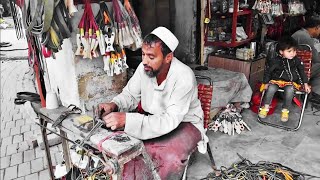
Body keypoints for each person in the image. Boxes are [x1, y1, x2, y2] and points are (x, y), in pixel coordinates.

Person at [98, 26, 208, 179]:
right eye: (143, 54)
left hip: (185, 123)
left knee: (168, 157)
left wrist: (128, 119)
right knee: (130, 152)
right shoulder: (144, 69)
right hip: (154, 119)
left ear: (168, 57)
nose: (144, 61)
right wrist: (114, 104)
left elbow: (170, 120)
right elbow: (130, 94)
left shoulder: (184, 76)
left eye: (151, 56)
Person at [259, 36, 311, 122]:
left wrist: (305, 84)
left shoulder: (296, 61)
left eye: (294, 51)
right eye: (289, 51)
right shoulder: (275, 61)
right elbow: (268, 72)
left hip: (290, 82)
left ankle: (285, 110)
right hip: (276, 81)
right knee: (271, 88)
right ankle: (266, 107)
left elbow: (302, 72)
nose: (292, 53)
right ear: (281, 52)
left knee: (290, 90)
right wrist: (265, 83)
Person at [292, 15, 320, 81]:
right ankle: (314, 90)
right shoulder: (305, 37)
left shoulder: (301, 33)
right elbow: (316, 59)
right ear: (317, 28)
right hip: (294, 70)